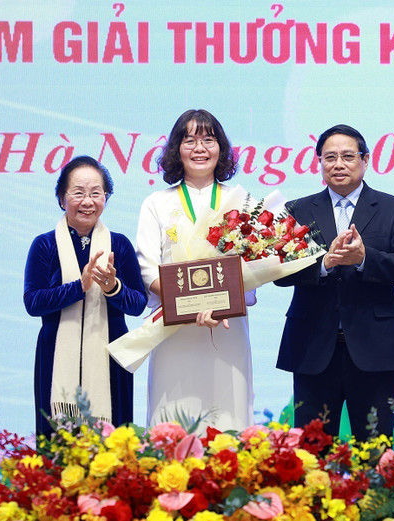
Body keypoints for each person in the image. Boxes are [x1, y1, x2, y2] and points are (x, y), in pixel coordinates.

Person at [275, 124, 394, 441]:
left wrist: (366, 258)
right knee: (311, 454)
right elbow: (279, 273)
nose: (338, 164)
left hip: (376, 351)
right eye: (330, 157)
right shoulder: (296, 211)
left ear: (365, 160)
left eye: (347, 156)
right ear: (320, 164)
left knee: (374, 453)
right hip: (313, 349)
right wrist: (324, 263)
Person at [136, 109, 255, 430]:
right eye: (189, 140)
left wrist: (215, 304)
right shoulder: (156, 203)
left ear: (222, 148)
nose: (199, 148)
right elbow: (147, 269)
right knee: (172, 422)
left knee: (229, 420)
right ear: (176, 149)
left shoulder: (241, 199)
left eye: (208, 139)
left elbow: (254, 263)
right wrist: (192, 304)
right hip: (174, 332)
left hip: (227, 327)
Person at [24, 156, 147, 436]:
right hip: (55, 355)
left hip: (111, 356)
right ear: (61, 198)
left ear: (106, 197)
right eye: (78, 193)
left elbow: (138, 304)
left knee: (113, 447)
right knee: (58, 445)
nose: (88, 201)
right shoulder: (44, 245)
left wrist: (112, 288)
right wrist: (78, 287)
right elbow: (33, 303)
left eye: (96, 193)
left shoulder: (120, 244)